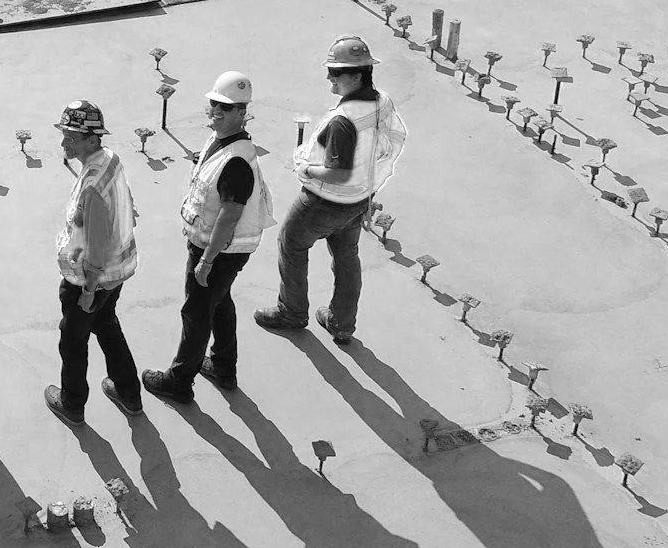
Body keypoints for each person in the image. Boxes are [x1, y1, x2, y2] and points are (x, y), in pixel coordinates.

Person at [257, 35, 408, 347]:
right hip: (360, 198)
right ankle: (342, 324)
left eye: (335, 73)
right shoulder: (382, 103)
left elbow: (337, 173)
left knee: (291, 245)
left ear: (355, 76)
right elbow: (390, 143)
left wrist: (306, 169)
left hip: (324, 201)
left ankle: (292, 312)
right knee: (346, 256)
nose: (329, 77)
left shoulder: (343, 121)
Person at [143, 72, 271, 404]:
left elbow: (230, 216)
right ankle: (224, 367)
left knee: (196, 312)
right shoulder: (221, 142)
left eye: (226, 108)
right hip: (215, 248)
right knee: (219, 302)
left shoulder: (236, 161)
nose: (216, 112)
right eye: (214, 104)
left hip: (219, 250)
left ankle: (179, 381)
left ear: (242, 112)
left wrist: (206, 261)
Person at [45, 100, 141, 425]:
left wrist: (87, 291)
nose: (64, 143)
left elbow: (97, 247)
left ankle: (72, 403)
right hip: (116, 274)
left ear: (91, 139)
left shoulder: (93, 186)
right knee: (107, 326)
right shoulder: (110, 161)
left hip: (92, 280)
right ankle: (129, 392)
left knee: (72, 341)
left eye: (70, 137)